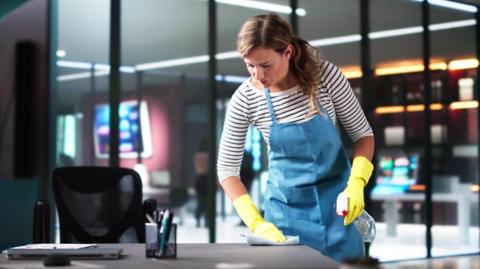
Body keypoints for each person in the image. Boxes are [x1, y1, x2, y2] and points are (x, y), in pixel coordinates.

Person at [217, 13, 375, 262]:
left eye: (266, 65)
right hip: (284, 217)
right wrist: (255, 221)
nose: (258, 76)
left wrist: (357, 183)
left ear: (287, 52)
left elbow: (363, 135)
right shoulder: (245, 98)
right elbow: (227, 169)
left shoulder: (325, 77)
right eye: (250, 65)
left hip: (340, 211)